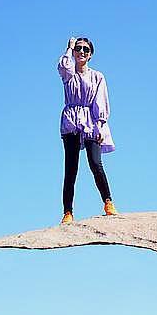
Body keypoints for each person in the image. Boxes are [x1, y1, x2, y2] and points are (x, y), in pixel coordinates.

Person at [57, 36, 118, 225]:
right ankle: (68, 212)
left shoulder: (97, 76)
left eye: (85, 50)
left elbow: (101, 100)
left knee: (95, 163)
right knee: (71, 168)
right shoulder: (69, 73)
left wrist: (100, 124)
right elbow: (63, 66)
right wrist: (68, 48)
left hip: (90, 121)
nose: (81, 52)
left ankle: (108, 202)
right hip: (71, 120)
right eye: (78, 49)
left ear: (90, 54)